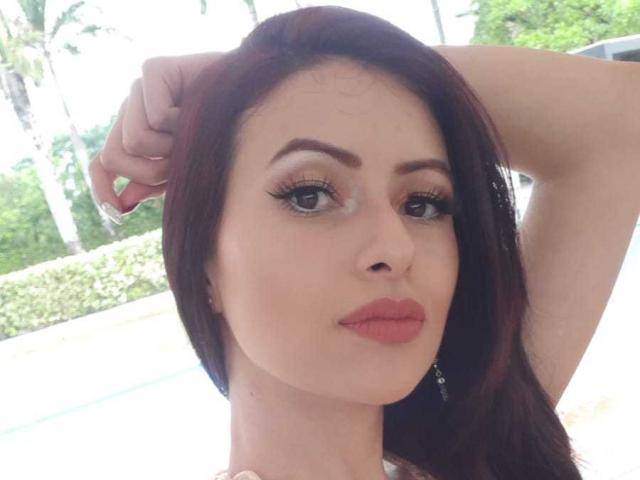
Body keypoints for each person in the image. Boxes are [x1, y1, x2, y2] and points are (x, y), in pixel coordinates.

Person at [89, 6, 640, 480]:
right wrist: (246, 87)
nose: (394, 248)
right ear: (203, 262)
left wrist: (286, 71)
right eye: (310, 195)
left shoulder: (481, 454)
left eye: (422, 204)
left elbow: (623, 122)